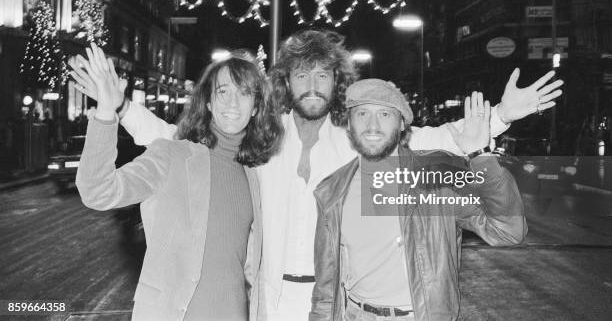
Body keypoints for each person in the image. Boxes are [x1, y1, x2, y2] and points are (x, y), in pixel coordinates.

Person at [69, 29, 561, 320]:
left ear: (336, 82)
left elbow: (438, 138)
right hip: (267, 296)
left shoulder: (358, 138)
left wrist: (500, 117)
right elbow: (177, 141)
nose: (311, 85)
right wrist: (118, 108)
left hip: (332, 301)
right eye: (300, 74)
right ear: (285, 82)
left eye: (322, 74)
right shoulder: (262, 139)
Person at [74, 45, 283, 321]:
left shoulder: (253, 174)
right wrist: (106, 109)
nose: (233, 104)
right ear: (208, 102)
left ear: (256, 107)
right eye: (223, 92)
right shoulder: (173, 156)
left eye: (244, 93)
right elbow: (97, 192)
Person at [309, 79, 527, 321]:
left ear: (402, 124)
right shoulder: (332, 191)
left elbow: (507, 231)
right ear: (349, 124)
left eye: (384, 113)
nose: (372, 125)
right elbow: (326, 288)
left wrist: (480, 156)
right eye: (362, 113)